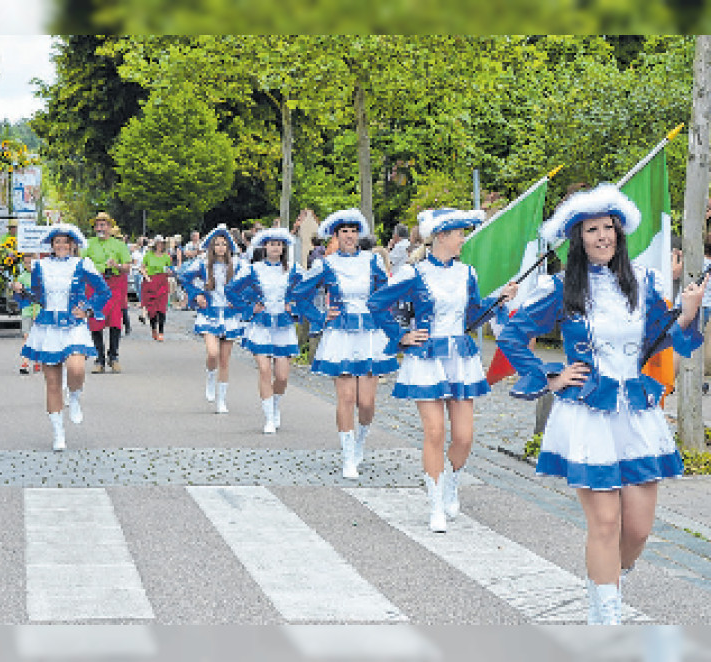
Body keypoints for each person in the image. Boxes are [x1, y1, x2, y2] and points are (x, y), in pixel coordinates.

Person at [497, 185, 706, 624]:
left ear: (618, 232)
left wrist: (687, 313)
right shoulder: (560, 288)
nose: (601, 237)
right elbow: (512, 333)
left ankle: (610, 578)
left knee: (638, 530)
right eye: (591, 230)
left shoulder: (643, 283)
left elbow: (663, 339)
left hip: (637, 414)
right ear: (578, 238)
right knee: (606, 523)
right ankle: (605, 618)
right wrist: (550, 377)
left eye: (607, 228)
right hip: (588, 414)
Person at [367, 208, 517, 533]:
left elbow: (474, 316)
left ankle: (451, 483)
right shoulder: (413, 273)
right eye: (460, 233)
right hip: (426, 357)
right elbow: (377, 303)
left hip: (460, 358)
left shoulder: (468, 273)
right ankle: (435, 503)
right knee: (434, 432)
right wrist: (401, 336)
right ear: (443, 236)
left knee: (463, 437)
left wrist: (499, 300)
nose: (464, 239)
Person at [299, 209, 398, 479]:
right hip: (340, 335)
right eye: (344, 232)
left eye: (354, 231)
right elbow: (298, 295)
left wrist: (393, 331)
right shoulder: (325, 264)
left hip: (369, 335)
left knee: (366, 403)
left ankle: (360, 442)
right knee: (346, 398)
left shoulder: (372, 261)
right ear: (336, 236)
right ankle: (347, 457)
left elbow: (386, 297)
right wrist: (320, 317)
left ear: (359, 234)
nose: (350, 236)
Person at [12, 223, 109, 450]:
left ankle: (74, 396)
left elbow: (104, 291)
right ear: (52, 245)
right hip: (47, 328)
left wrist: (88, 310)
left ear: (72, 245)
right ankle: (58, 433)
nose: (62, 245)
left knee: (76, 368)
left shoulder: (82, 264)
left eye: (66, 241)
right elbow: (36, 296)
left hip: (74, 325)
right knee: (52, 382)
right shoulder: (40, 266)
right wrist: (20, 291)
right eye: (58, 242)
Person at [226, 228, 311, 434]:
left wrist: (295, 307)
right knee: (264, 370)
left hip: (284, 327)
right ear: (265, 246)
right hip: (261, 326)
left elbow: (308, 290)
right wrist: (249, 309)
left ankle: (275, 405)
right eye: (272, 244)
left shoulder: (294, 270)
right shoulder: (253, 269)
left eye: (279, 244)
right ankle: (269, 418)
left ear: (283, 248)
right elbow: (231, 290)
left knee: (281, 377)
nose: (275, 247)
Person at [177, 225, 247, 414]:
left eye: (224, 244)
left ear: (229, 246)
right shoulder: (202, 264)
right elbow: (184, 278)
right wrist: (197, 295)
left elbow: (249, 285)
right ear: (211, 247)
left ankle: (222, 400)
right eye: (217, 244)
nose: (221, 247)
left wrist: (238, 301)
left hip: (230, 316)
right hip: (209, 313)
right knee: (213, 353)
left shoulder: (238, 265)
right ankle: (210, 376)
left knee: (225, 360)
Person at [84, 212, 131, 373]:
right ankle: (99, 359)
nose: (99, 228)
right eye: (97, 225)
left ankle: (114, 356)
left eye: (103, 225)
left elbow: (127, 267)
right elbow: (81, 263)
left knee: (115, 321)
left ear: (110, 227)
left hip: (114, 285)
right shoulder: (88, 244)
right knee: (95, 322)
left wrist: (116, 265)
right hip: (95, 285)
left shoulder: (120, 245)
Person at [140, 235, 174, 340]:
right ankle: (153, 328)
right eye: (158, 244)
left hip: (162, 283)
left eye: (162, 244)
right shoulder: (148, 255)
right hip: (150, 282)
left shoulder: (167, 257)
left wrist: (170, 272)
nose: (160, 246)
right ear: (155, 245)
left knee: (162, 308)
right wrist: (147, 277)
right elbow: (142, 268)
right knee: (152, 309)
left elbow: (170, 270)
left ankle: (161, 332)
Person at [16, 252, 42, 374]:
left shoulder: (41, 275)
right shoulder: (22, 277)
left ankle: (37, 361)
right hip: (27, 309)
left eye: (30, 262)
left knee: (38, 336)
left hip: (39, 309)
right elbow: (18, 295)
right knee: (26, 336)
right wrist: (17, 289)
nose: (28, 265)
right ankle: (25, 362)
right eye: (25, 263)